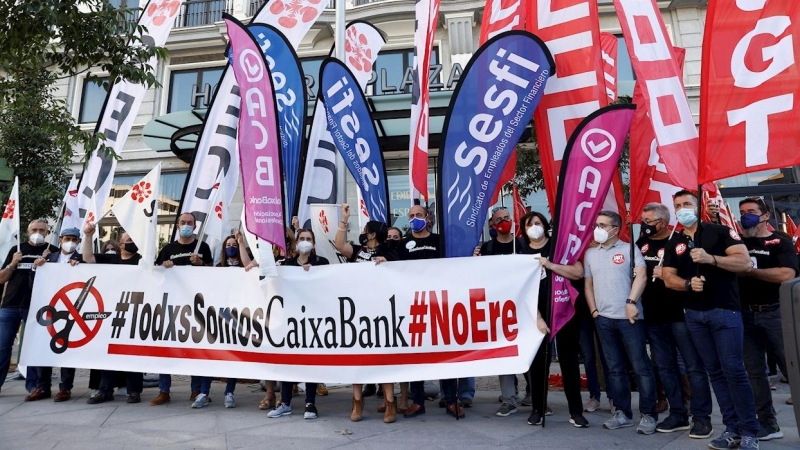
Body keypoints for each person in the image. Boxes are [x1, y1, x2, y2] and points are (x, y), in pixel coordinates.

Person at [661, 190, 758, 450]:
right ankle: (731, 429)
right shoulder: (675, 241)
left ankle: (750, 432)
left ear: (698, 205)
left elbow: (745, 262)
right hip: (694, 315)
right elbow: (667, 276)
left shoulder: (719, 231)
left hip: (725, 311)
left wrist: (711, 259)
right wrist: (687, 285)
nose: (683, 208)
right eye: (678, 205)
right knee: (714, 373)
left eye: (687, 204)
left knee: (734, 371)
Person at [637, 203, 713, 438]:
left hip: (680, 315)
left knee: (692, 367)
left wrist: (670, 274)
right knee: (664, 367)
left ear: (662, 222)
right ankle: (677, 413)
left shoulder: (680, 242)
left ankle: (701, 417)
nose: (644, 225)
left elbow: (696, 275)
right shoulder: (640, 245)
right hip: (653, 316)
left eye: (648, 221)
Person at [584, 211, 657, 434]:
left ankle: (648, 415)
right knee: (614, 369)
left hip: (630, 319)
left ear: (616, 229)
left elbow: (642, 276)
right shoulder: (590, 254)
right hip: (603, 320)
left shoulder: (629, 250)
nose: (598, 229)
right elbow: (588, 284)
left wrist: (631, 301)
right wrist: (594, 311)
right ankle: (622, 413)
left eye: (603, 225)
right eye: (597, 224)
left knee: (641, 367)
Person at [515, 211, 589, 428]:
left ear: (545, 225)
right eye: (529, 224)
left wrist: (550, 265)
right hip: (537, 315)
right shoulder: (522, 253)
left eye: (537, 223)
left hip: (564, 310)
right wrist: (538, 318)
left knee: (569, 362)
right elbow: (522, 291)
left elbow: (578, 272)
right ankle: (538, 409)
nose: (534, 227)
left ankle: (576, 411)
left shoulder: (558, 248)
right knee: (538, 365)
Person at [390, 205, 463, 419]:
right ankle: (418, 401)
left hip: (440, 304)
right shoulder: (402, 245)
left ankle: (451, 400)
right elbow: (394, 270)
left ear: (427, 218)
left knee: (445, 353)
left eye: (418, 215)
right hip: (413, 306)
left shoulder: (440, 241)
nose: (414, 219)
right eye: (411, 216)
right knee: (416, 355)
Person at [737, 197, 797, 441]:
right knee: (754, 372)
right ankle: (768, 424)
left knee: (792, 368)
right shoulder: (736, 242)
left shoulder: (780, 242)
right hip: (745, 315)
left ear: (765, 216)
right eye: (741, 212)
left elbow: (787, 274)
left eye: (751, 211)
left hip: (775, 313)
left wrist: (750, 271)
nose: (745, 215)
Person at [333, 204, 398, 423]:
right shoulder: (359, 251)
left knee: (382, 358)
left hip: (380, 313)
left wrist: (387, 263)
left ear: (372, 233)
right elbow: (340, 245)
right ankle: (357, 402)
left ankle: (390, 402)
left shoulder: (388, 251)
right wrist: (344, 220)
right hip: (357, 312)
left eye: (365, 230)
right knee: (357, 359)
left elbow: (403, 269)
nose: (362, 233)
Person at [150, 212, 213, 406]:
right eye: (183, 222)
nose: (186, 225)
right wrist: (164, 265)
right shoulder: (168, 248)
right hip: (172, 305)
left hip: (196, 305)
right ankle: (164, 390)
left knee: (196, 346)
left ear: (195, 226)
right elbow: (157, 273)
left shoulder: (202, 247)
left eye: (190, 223)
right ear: (178, 225)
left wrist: (201, 263)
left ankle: (196, 390)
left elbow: (215, 272)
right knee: (166, 346)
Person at [268, 229, 328, 420]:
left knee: (309, 362)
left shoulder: (322, 263)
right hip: (290, 320)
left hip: (312, 320)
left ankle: (310, 403)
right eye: (301, 238)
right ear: (296, 243)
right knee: (288, 362)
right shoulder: (287, 264)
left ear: (314, 244)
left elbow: (330, 285)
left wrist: (314, 273)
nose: (304, 242)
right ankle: (285, 403)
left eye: (308, 239)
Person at [81, 224, 145, 404]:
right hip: (111, 313)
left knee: (133, 352)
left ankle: (134, 391)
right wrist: (88, 236)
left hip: (134, 311)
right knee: (109, 352)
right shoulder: (111, 260)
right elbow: (88, 258)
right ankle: (105, 389)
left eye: (134, 240)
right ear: (121, 244)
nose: (132, 243)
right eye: (128, 240)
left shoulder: (143, 261)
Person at [191, 233, 253, 409]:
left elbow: (248, 264)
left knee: (232, 355)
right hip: (217, 316)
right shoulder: (218, 268)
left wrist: (241, 243)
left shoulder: (245, 267)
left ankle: (229, 392)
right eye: (229, 245)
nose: (231, 247)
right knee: (211, 356)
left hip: (238, 316)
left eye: (234, 244)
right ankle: (204, 392)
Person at [0, 220, 59, 396]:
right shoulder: (17, 249)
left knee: (33, 348)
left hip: (37, 306)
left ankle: (34, 387)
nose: (38, 232)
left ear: (48, 232)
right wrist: (13, 263)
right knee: (3, 347)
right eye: (34, 229)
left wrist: (48, 263)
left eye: (42, 230)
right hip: (10, 305)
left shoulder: (53, 251)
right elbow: (2, 278)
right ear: (27, 231)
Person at [29, 227, 84, 402]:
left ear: (78, 242)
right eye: (67, 238)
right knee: (43, 347)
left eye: (74, 239)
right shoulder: (48, 259)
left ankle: (65, 388)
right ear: (60, 240)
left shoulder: (82, 260)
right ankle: (42, 386)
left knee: (66, 347)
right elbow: (34, 284)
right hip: (47, 308)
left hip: (69, 311)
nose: (70, 242)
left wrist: (81, 268)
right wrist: (35, 268)